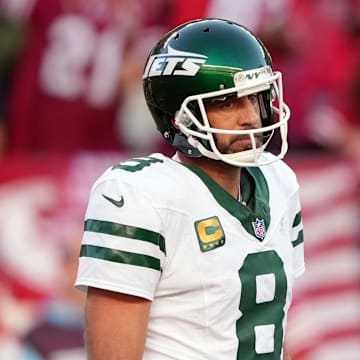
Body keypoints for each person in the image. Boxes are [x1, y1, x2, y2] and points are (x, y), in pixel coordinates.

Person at [75, 18, 305, 359]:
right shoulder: (140, 194)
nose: (251, 118)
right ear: (178, 116)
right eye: (227, 103)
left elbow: (268, 325)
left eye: (255, 97)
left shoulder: (280, 181)